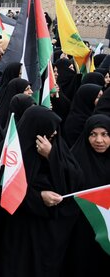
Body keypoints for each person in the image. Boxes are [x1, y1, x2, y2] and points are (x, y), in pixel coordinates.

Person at [0, 106, 83, 277]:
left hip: (47, 236)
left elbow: (74, 179)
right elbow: (5, 189)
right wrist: (39, 198)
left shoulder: (56, 147)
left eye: (55, 134)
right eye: (47, 133)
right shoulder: (10, 152)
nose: (52, 137)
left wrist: (52, 156)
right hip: (18, 231)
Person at [63, 115, 110, 276]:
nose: (99, 140)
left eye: (105, 134)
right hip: (81, 232)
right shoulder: (75, 161)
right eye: (93, 134)